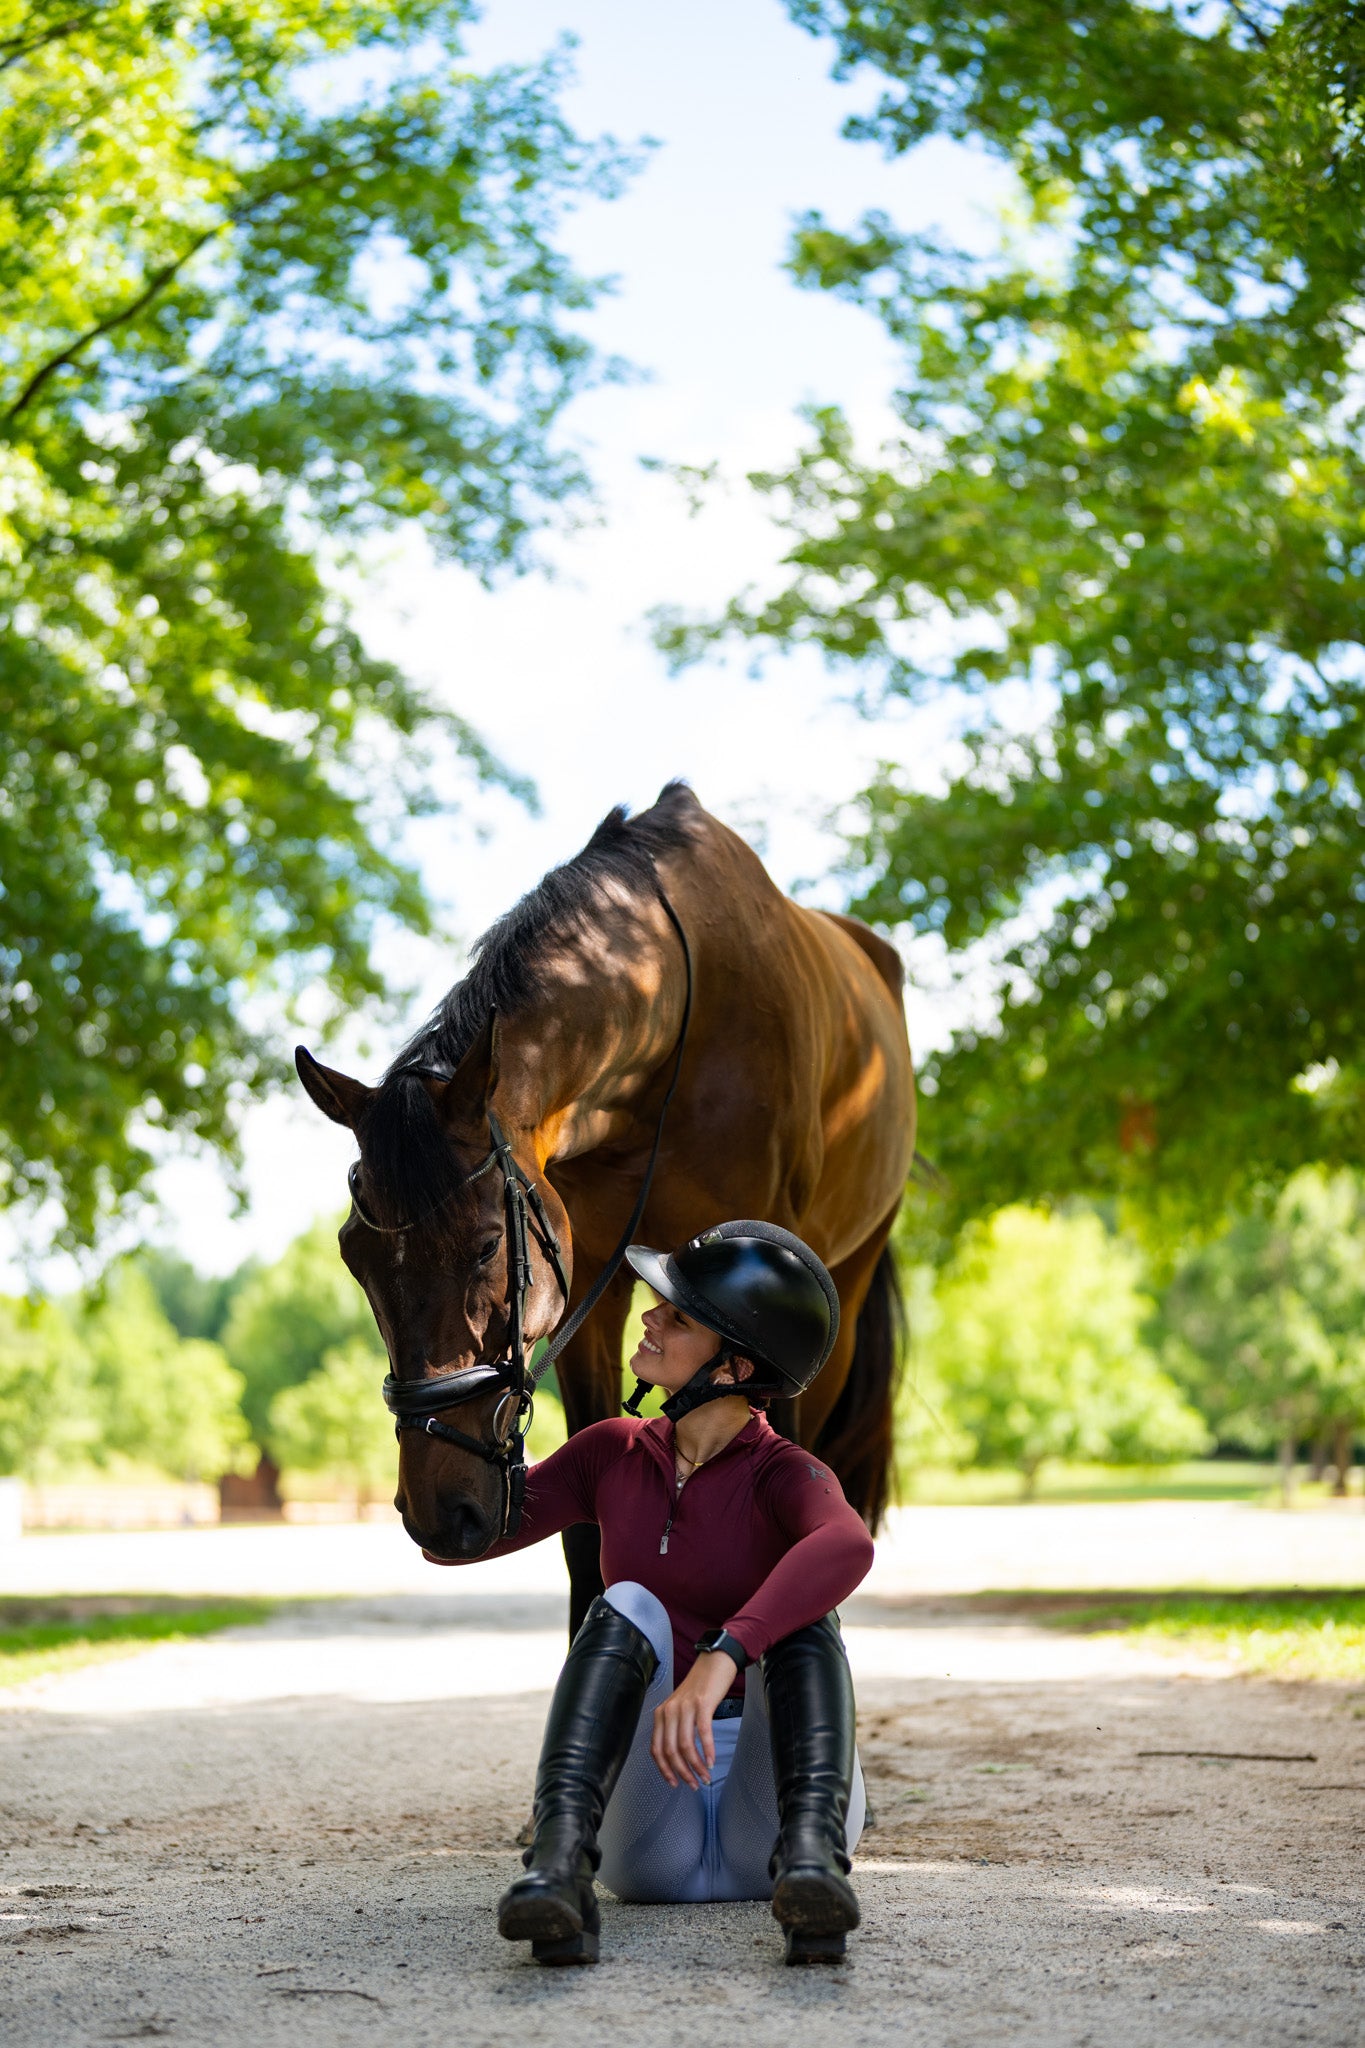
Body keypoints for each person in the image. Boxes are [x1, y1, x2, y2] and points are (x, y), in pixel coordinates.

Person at [426, 1219, 875, 1967]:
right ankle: (558, 1871)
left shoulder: (786, 1474)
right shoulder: (611, 1452)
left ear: (732, 1368)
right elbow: (458, 1536)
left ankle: (814, 1875)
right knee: (628, 1602)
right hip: (651, 1835)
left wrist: (723, 1657)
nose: (650, 1317)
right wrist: (453, 1412)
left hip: (771, 1825)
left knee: (806, 1608)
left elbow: (849, 1545)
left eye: (680, 1317)